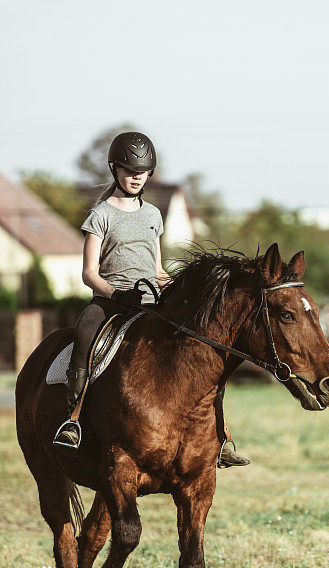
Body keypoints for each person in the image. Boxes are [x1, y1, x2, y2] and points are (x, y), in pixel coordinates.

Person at [53, 131, 250, 468]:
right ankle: (73, 418)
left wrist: (180, 287)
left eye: (142, 172)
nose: (136, 177)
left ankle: (221, 436)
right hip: (111, 301)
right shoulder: (100, 215)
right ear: (115, 170)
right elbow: (89, 273)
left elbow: (157, 268)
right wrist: (116, 293)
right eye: (130, 171)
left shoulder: (153, 215)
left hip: (152, 301)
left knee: (201, 357)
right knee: (85, 329)